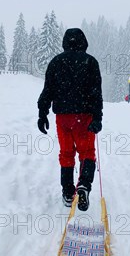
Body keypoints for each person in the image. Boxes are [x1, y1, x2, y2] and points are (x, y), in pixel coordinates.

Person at [37, 28, 103, 211]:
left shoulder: (56, 62)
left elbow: (47, 91)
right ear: (84, 42)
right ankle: (83, 186)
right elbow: (96, 94)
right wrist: (97, 118)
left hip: (63, 118)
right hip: (85, 118)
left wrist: (42, 113)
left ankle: (67, 191)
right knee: (87, 153)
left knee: (66, 154)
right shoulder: (91, 62)